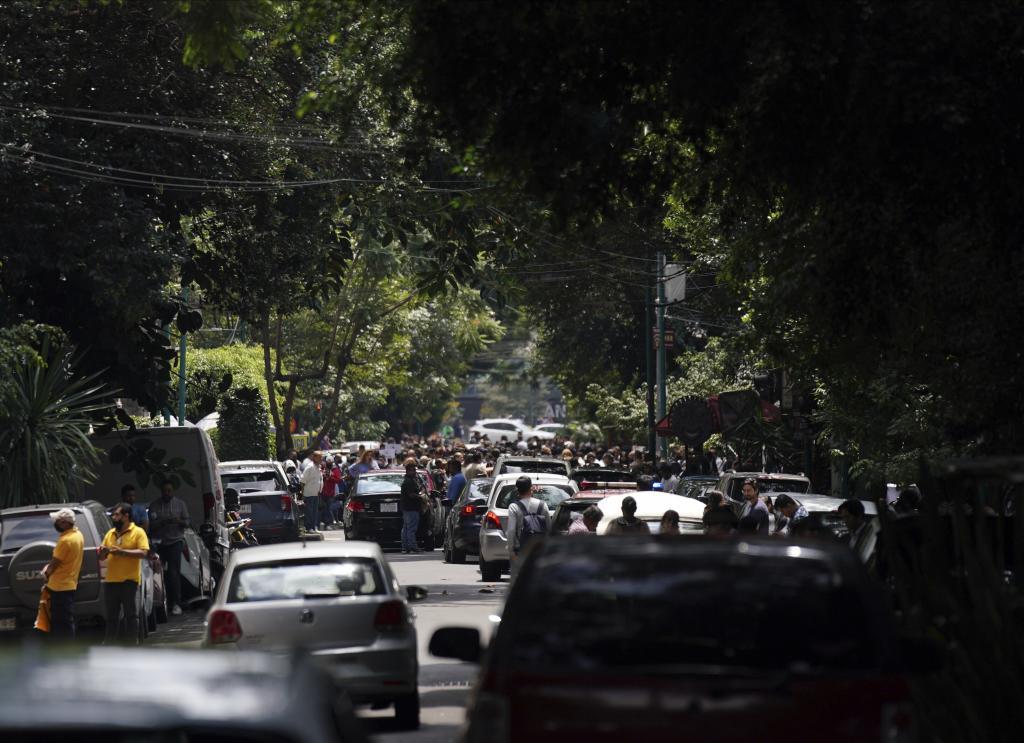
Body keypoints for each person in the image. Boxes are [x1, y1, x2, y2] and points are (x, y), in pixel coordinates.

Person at [99, 503, 150, 644]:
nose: (114, 518)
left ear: (126, 516)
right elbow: (102, 557)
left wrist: (122, 552)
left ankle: (132, 643)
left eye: (116, 515)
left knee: (131, 615)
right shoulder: (111, 533)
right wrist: (103, 552)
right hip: (111, 581)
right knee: (111, 616)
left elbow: (143, 552)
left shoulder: (138, 532)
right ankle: (109, 644)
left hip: (129, 581)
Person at [39, 508, 84, 639]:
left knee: (61, 624)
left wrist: (45, 574)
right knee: (66, 621)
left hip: (59, 587)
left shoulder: (65, 541)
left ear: (64, 523)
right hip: (69, 585)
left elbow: (53, 564)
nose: (55, 524)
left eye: (57, 521)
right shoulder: (78, 535)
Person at [149, 482, 189, 616]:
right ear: (161, 491)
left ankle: (177, 603)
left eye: (169, 491)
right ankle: (163, 602)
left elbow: (187, 523)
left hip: (175, 541)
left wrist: (178, 521)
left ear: (173, 491)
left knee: (173, 572)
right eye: (165, 491)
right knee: (160, 573)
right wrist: (162, 522)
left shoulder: (180, 504)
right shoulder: (154, 505)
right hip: (160, 543)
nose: (167, 493)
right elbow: (151, 526)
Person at [505, 476, 550, 579]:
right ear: (531, 488)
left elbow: (511, 530)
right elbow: (549, 528)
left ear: (517, 490)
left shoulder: (514, 507)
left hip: (520, 550)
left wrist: (511, 552)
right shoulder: (543, 505)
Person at [400, 459, 424, 554]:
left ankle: (405, 547)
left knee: (406, 528)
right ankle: (412, 547)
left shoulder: (409, 480)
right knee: (411, 528)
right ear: (408, 471)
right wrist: (421, 497)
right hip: (411, 508)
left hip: (407, 508)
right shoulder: (409, 481)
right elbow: (411, 495)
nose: (415, 472)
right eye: (413, 470)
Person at [301, 451, 324, 534]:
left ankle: (314, 527)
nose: (321, 459)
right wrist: (303, 494)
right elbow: (303, 481)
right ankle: (308, 528)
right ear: (314, 457)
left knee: (315, 512)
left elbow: (319, 480)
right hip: (309, 494)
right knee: (309, 512)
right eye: (319, 457)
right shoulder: (310, 467)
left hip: (316, 493)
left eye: (321, 457)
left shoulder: (319, 467)